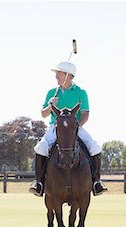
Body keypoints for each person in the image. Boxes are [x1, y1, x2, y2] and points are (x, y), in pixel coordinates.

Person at [29, 61, 107, 197]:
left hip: (75, 128)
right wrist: (50, 104)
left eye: (58, 73)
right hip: (55, 128)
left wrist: (75, 128)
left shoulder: (81, 92)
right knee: (40, 148)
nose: (56, 76)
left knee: (95, 147)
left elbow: (85, 114)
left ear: (68, 75)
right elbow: (43, 114)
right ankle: (39, 183)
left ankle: (96, 182)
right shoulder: (51, 92)